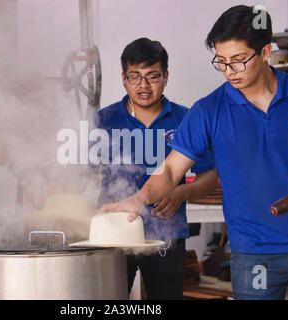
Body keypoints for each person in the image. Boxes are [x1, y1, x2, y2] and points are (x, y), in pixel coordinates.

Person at [100, 6, 288, 300]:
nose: (228, 71)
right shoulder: (207, 111)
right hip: (254, 252)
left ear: (265, 52)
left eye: (238, 61)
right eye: (221, 61)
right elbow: (172, 170)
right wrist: (139, 199)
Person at [93, 38, 218, 299]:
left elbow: (210, 176)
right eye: (135, 77)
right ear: (124, 78)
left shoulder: (186, 119)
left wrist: (181, 194)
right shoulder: (103, 120)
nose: (143, 86)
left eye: (152, 76)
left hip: (166, 235)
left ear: (166, 76)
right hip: (113, 234)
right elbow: (82, 174)